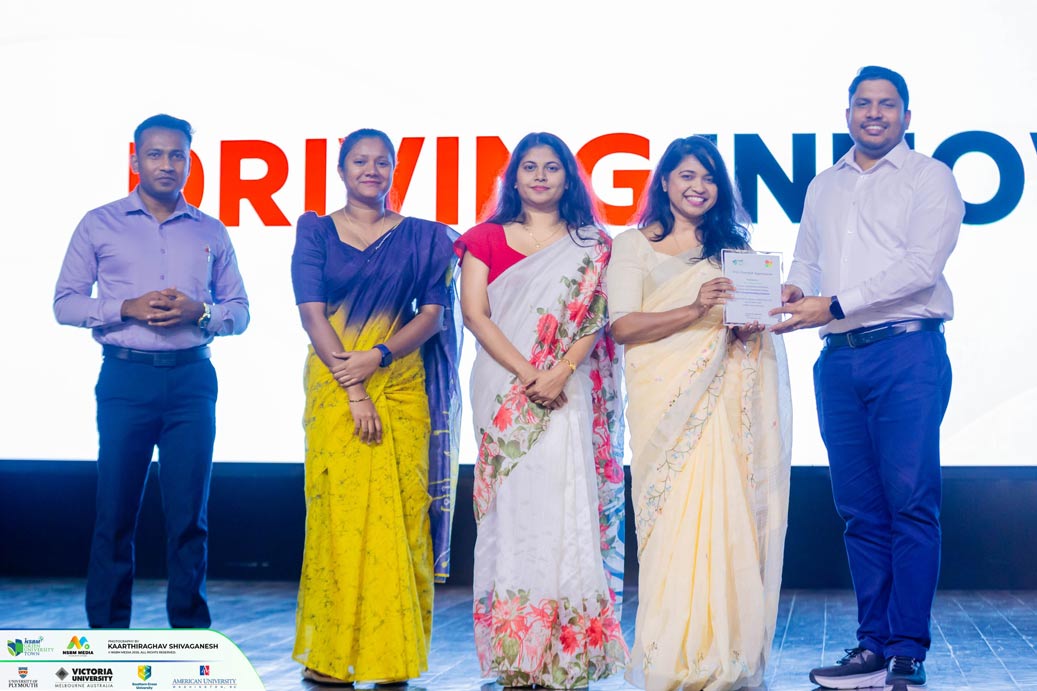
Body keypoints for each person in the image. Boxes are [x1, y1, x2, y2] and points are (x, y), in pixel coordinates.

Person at [772, 66, 963, 691]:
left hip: (906, 352)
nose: (873, 113)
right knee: (859, 512)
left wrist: (831, 303)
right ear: (848, 113)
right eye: (863, 103)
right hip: (839, 360)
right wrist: (794, 288)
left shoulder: (930, 177)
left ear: (906, 116)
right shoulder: (824, 185)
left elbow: (920, 268)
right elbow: (808, 257)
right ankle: (872, 646)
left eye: (886, 104)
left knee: (911, 505)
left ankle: (907, 649)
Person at [608, 135, 791, 691]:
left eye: (709, 178)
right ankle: (675, 654)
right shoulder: (632, 245)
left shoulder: (733, 250)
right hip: (666, 405)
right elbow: (622, 326)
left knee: (727, 516)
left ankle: (723, 650)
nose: (698, 187)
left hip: (725, 401)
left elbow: (741, 323)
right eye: (687, 175)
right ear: (664, 181)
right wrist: (695, 308)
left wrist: (748, 325)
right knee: (675, 526)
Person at [53, 114, 250, 628]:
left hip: (191, 382)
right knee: (115, 514)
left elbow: (240, 311)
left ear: (189, 162)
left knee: (189, 518)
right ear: (135, 160)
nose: (167, 164)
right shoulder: (99, 223)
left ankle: (190, 635)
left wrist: (200, 313)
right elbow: (65, 303)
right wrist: (126, 307)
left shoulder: (210, 230)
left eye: (177, 155)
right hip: (126, 380)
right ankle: (107, 636)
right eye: (155, 154)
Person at [290, 128, 461, 685]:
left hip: (401, 386)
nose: (371, 170)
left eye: (382, 162)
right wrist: (355, 386)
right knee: (337, 519)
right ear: (341, 170)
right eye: (360, 161)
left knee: (403, 516)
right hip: (336, 386)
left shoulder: (426, 237)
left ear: (393, 171)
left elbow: (432, 315)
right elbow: (312, 314)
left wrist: (380, 356)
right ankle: (331, 657)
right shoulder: (315, 231)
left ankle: (393, 658)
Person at [456, 132, 628, 688]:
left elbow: (596, 317)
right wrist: (531, 374)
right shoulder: (484, 238)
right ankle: (517, 653)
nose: (539, 176)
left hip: (568, 386)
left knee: (565, 504)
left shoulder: (593, 245)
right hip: (505, 389)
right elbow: (475, 314)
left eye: (551, 167)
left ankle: (563, 655)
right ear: (513, 177)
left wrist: (560, 371)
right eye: (529, 167)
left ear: (568, 178)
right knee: (513, 511)